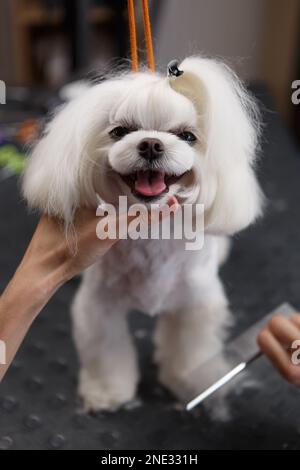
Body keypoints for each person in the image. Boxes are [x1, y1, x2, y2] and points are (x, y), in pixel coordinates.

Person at [0, 197, 299, 387]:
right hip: (109, 258)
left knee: (197, 308)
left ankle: (185, 368)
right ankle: (108, 382)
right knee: (101, 308)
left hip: (193, 256)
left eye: (186, 136)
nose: (152, 146)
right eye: (121, 132)